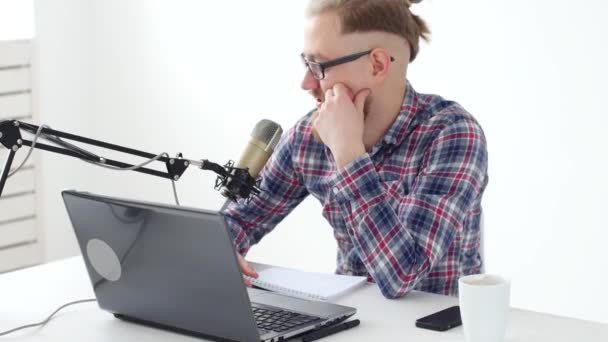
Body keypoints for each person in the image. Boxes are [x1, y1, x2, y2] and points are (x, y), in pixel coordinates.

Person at [224, 0, 488, 298]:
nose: (306, 82)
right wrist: (221, 251)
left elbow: (403, 276)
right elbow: (237, 221)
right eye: (305, 63)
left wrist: (348, 154)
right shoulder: (308, 136)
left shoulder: (451, 133)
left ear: (377, 64)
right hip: (349, 321)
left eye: (318, 66)